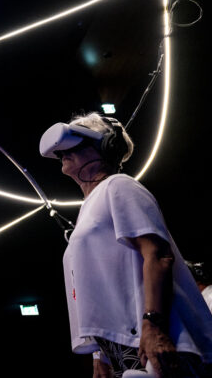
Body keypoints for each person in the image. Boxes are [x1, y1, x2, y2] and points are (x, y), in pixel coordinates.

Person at [39, 113, 212, 378]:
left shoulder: (118, 186)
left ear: (105, 146)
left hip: (152, 335)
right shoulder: (90, 207)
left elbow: (157, 254)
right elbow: (100, 283)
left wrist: (154, 325)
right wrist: (100, 354)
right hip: (123, 345)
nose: (63, 152)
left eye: (75, 143)